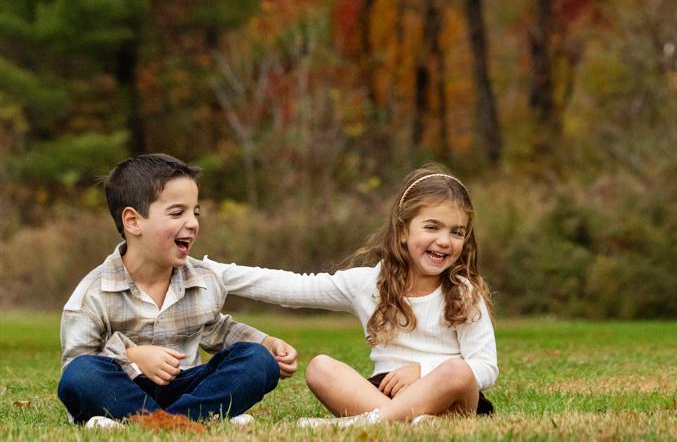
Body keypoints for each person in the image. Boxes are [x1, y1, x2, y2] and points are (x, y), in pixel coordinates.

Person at [201, 165, 498, 428]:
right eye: (432, 227)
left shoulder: (464, 293)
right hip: (382, 394)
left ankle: (366, 423)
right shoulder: (368, 284)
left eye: (457, 232)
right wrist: (214, 271)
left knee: (458, 371)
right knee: (320, 367)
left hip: (451, 401)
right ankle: (410, 422)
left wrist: (423, 371)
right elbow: (293, 287)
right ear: (403, 230)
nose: (444, 241)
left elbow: (486, 367)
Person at [57, 154, 298, 428]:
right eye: (177, 212)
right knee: (82, 374)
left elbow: (218, 329)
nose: (193, 223)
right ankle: (190, 420)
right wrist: (131, 357)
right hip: (121, 391)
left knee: (257, 361)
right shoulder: (92, 292)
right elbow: (76, 369)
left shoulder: (204, 280)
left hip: (186, 389)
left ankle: (163, 421)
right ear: (133, 221)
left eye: (195, 212)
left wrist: (267, 344)